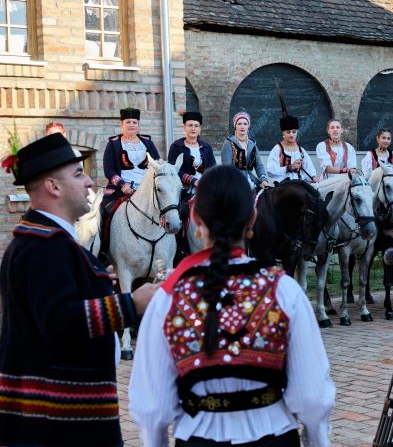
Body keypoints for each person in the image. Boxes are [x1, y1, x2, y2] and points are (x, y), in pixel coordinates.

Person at [129, 165, 335, 446]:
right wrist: (316, 441)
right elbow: (312, 397)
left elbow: (152, 408)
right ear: (252, 217)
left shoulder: (168, 298)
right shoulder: (284, 290)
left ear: (194, 217)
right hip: (273, 438)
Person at [0, 133, 157, 446]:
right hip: (58, 427)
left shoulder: (49, 242)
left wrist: (96, 286)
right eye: (78, 173)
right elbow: (60, 320)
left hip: (60, 423)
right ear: (53, 187)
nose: (89, 182)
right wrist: (130, 304)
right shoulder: (43, 246)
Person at [100, 107, 161, 210]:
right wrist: (122, 185)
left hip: (147, 189)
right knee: (105, 210)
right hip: (122, 190)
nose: (131, 125)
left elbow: (157, 163)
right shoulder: (113, 143)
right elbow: (108, 169)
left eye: (134, 122)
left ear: (138, 124)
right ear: (122, 124)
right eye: (128, 122)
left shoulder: (147, 142)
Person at [221, 111, 272, 189]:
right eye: (239, 124)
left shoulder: (252, 144)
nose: (242, 126)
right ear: (235, 126)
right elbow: (226, 169)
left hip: (251, 181)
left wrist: (263, 180)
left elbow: (259, 166)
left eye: (245, 124)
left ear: (248, 126)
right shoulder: (228, 143)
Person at [266, 108, 318, 184]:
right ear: (283, 133)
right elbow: (270, 170)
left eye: (294, 132)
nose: (291, 135)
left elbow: (309, 169)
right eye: (288, 132)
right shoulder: (277, 149)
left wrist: (314, 177)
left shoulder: (301, 151)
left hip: (300, 186)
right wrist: (289, 167)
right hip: (282, 187)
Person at [168, 111, 216, 191]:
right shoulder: (176, 147)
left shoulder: (206, 147)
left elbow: (213, 168)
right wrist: (193, 181)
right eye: (190, 125)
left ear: (200, 128)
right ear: (184, 127)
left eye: (196, 126)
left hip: (205, 189)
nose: (193, 129)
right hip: (183, 190)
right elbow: (172, 169)